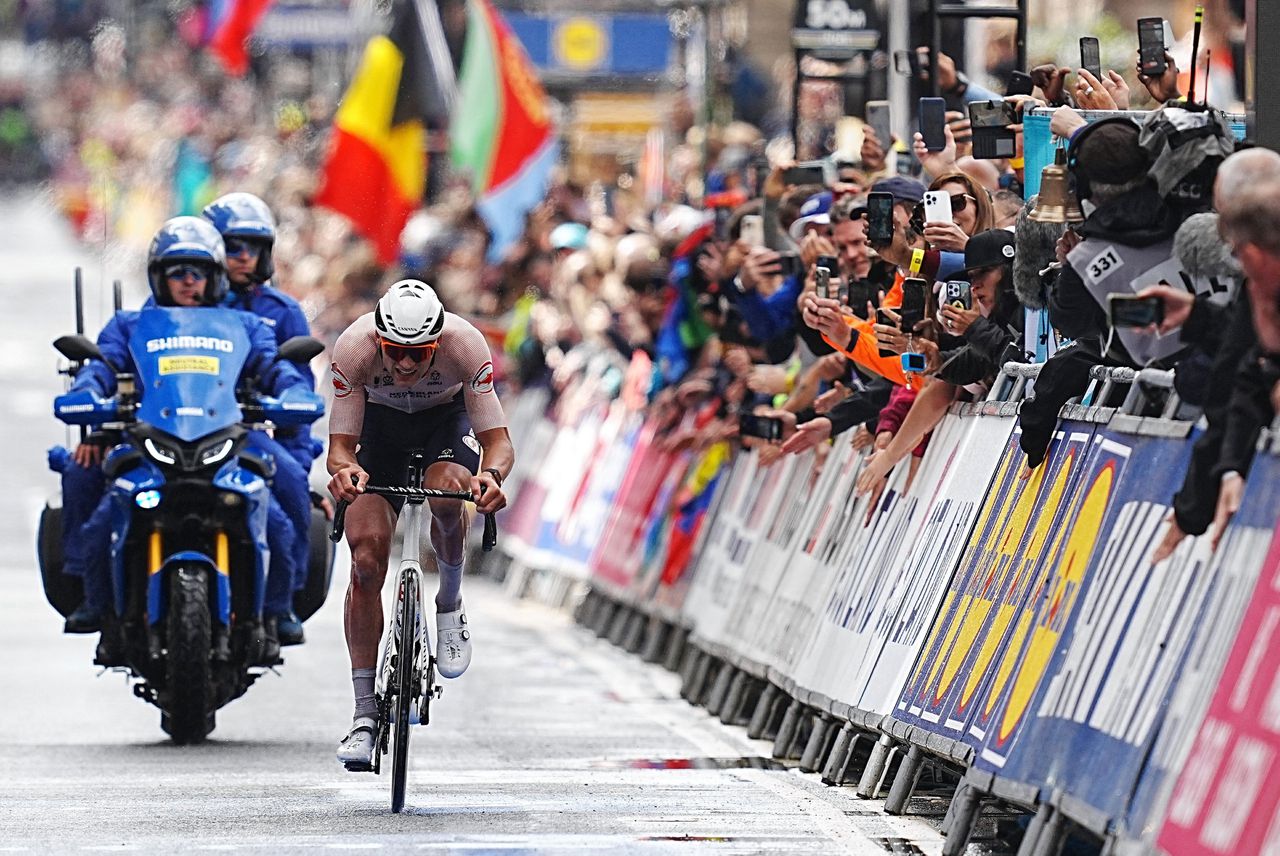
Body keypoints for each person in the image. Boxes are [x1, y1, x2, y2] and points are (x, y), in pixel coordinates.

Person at [60, 217, 315, 664]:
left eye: (198, 271)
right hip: (148, 443)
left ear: (215, 276)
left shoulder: (249, 325)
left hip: (231, 440)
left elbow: (278, 370)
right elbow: (101, 369)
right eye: (177, 271)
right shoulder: (129, 324)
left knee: (275, 514)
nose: (189, 281)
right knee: (103, 521)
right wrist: (86, 392)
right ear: (158, 275)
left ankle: (276, 613)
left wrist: (293, 393)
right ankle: (102, 613)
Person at [327, 279, 515, 767]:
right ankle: (364, 715)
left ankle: (449, 600)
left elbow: (497, 441)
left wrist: (490, 477)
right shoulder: (353, 349)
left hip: (443, 424)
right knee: (366, 560)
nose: (406, 365)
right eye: (395, 353)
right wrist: (346, 472)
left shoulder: (466, 345)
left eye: (419, 354)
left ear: (438, 342)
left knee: (450, 493)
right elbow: (341, 449)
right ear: (378, 341)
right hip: (378, 429)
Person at [202, 192, 320, 646]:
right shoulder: (182, 300)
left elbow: (297, 388)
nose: (243, 257)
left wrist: (296, 456)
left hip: (245, 437)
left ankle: (280, 605)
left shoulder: (282, 313)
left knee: (289, 484)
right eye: (233, 246)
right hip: (175, 433)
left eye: (253, 247)